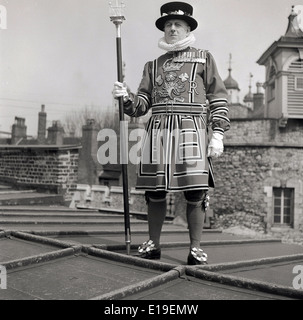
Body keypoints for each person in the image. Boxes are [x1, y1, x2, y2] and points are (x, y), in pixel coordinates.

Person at [113, 1, 230, 265]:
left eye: (178, 24)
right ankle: (153, 243)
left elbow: (219, 98)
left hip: (192, 129)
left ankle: (196, 248)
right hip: (158, 131)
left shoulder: (204, 58)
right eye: (168, 25)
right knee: (155, 191)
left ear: (188, 27)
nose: (172, 29)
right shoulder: (152, 66)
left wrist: (218, 133)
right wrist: (126, 97)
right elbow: (142, 105)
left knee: (196, 191)